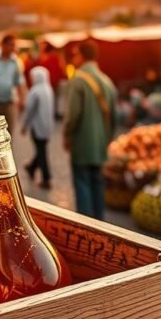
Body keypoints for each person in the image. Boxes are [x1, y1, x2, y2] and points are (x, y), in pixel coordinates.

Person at [64, 42, 117, 219]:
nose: (73, 58)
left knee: (83, 184)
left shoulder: (79, 80)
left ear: (82, 56)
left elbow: (72, 116)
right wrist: (106, 140)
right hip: (100, 144)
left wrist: (67, 136)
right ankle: (99, 225)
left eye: (75, 54)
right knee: (97, 184)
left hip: (82, 143)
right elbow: (114, 118)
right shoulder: (107, 81)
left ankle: (86, 227)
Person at [22, 66, 55, 189]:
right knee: (41, 149)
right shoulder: (48, 89)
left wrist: (24, 125)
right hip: (47, 126)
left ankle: (46, 178)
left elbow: (29, 111)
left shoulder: (35, 91)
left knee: (41, 151)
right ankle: (31, 168)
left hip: (37, 126)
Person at [38, 42, 66, 119]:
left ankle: (51, 112)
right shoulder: (56, 57)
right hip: (56, 82)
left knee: (51, 98)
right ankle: (56, 112)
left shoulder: (46, 58)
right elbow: (61, 69)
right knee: (56, 98)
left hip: (49, 82)